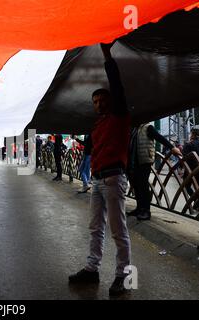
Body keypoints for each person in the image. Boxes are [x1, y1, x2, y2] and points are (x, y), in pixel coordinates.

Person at [69, 42, 132, 296]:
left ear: (111, 101)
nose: (98, 104)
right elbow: (91, 148)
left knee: (118, 230)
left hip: (114, 180)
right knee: (95, 227)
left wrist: (107, 54)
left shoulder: (120, 117)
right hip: (97, 182)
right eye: (95, 101)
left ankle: (123, 276)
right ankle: (92, 269)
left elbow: (116, 83)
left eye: (102, 99)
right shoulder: (96, 126)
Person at [127, 123, 182, 220]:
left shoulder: (148, 128)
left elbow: (159, 138)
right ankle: (139, 208)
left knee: (143, 185)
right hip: (133, 162)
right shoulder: (133, 128)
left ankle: (146, 211)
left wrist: (172, 148)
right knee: (136, 185)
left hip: (144, 161)